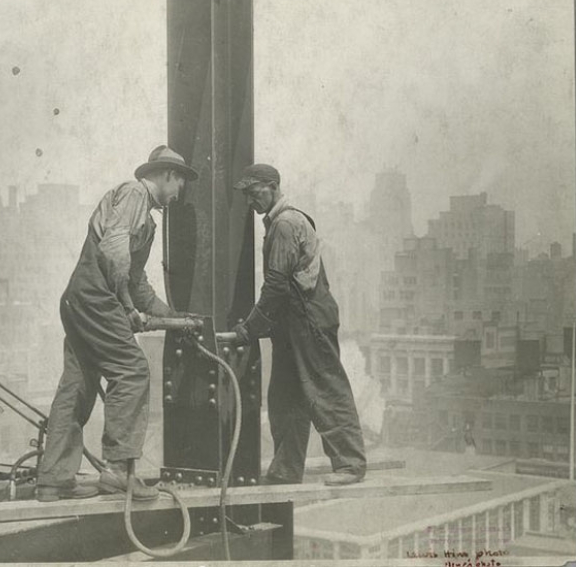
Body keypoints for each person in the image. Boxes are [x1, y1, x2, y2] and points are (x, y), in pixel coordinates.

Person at [36, 146, 198, 502]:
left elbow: (137, 282)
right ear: (168, 175)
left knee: (77, 383)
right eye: (180, 184)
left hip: (80, 297)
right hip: (97, 297)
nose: (179, 193)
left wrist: (173, 316)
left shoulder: (149, 221)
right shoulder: (134, 193)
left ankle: (54, 479)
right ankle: (116, 471)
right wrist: (126, 307)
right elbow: (114, 253)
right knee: (133, 370)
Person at [230, 164, 367, 486]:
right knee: (285, 397)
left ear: (272, 186)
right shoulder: (282, 221)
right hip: (295, 322)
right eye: (247, 195)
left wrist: (249, 329)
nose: (250, 200)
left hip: (308, 320)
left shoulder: (285, 224)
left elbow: (276, 284)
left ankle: (350, 463)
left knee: (325, 390)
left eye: (254, 192)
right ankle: (285, 470)